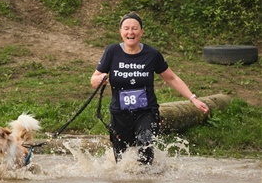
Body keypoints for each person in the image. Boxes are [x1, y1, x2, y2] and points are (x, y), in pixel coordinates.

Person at [90, 12, 210, 165]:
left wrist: (193, 99)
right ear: (120, 32)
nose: (130, 32)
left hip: (146, 112)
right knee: (120, 161)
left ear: (141, 32)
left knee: (145, 145)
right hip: (119, 113)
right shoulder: (112, 52)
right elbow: (94, 79)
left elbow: (171, 78)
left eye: (134, 28)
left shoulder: (152, 54)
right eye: (126, 28)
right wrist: (100, 79)